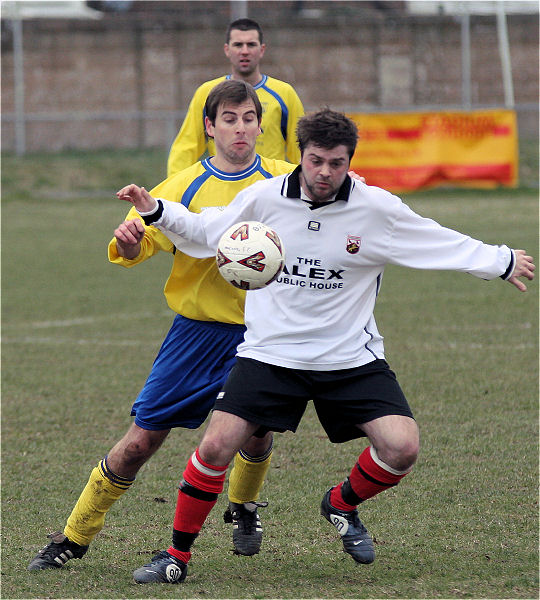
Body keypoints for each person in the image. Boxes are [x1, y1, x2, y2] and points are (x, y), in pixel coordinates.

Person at [117, 108, 535, 584]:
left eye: (336, 163)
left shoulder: (376, 209)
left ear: (349, 160)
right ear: (301, 155)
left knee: (402, 449)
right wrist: (156, 211)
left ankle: (340, 505)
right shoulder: (266, 197)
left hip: (348, 357)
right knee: (214, 448)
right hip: (271, 353)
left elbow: (433, 238)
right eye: (316, 161)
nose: (324, 173)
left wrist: (499, 260)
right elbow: (211, 228)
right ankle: (176, 556)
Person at [27, 80, 301, 572]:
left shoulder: (288, 181)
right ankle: (73, 537)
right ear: (209, 126)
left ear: (261, 125)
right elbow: (138, 246)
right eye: (230, 119)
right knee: (138, 442)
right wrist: (131, 242)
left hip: (265, 336)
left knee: (256, 433)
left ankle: (242, 507)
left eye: (249, 118)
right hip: (196, 336)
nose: (240, 128)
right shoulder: (181, 187)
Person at [167, 18, 304, 177]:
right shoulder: (207, 92)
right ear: (227, 50)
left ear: (262, 50)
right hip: (224, 186)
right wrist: (177, 191)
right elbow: (186, 148)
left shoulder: (284, 93)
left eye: (251, 44)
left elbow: (300, 149)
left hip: (270, 188)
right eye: (238, 45)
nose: (244, 51)